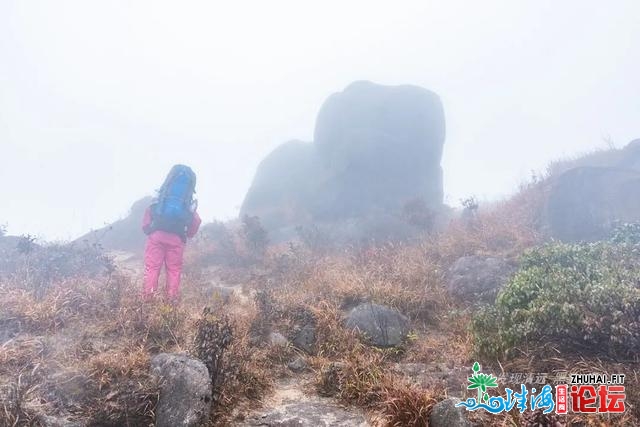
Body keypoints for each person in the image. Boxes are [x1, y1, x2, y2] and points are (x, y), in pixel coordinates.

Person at [142, 165, 201, 303]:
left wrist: (148, 229)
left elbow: (148, 213)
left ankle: (148, 302)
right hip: (176, 239)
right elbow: (196, 220)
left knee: (152, 268)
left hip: (157, 236)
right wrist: (189, 234)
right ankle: (171, 304)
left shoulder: (162, 196)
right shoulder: (187, 202)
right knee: (174, 271)